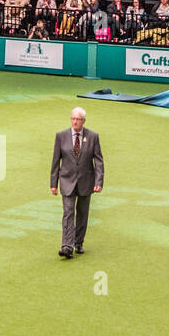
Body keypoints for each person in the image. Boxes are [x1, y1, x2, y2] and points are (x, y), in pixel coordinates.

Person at [50, 106, 104, 259]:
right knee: (68, 213)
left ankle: (78, 242)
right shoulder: (61, 136)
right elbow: (55, 161)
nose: (75, 122)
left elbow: (98, 161)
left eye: (78, 119)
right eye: (73, 119)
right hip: (67, 180)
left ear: (84, 121)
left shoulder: (93, 136)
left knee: (82, 214)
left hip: (86, 181)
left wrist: (98, 181)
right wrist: (53, 183)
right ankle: (66, 246)